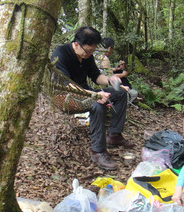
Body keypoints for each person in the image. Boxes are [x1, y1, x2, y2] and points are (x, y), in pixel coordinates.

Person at [52, 27, 134, 171]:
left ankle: (114, 135)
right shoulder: (60, 54)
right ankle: (98, 151)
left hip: (86, 93)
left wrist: (110, 80)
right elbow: (67, 86)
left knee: (121, 92)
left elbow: (96, 76)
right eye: (88, 51)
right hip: (65, 97)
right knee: (97, 104)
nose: (89, 54)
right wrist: (94, 96)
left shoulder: (86, 56)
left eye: (92, 51)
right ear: (76, 44)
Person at [98, 37, 139, 103]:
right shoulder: (104, 58)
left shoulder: (96, 56)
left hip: (101, 84)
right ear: (109, 48)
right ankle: (129, 96)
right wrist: (123, 75)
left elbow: (104, 71)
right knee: (134, 93)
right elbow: (109, 76)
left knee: (119, 71)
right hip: (104, 87)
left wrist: (115, 69)